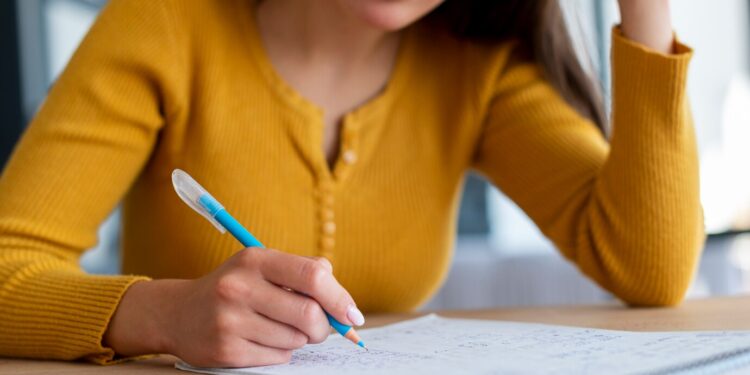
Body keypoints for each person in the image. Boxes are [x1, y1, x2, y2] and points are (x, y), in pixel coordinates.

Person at [0, 0, 703, 368]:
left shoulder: (477, 69)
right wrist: (164, 314)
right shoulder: (162, 24)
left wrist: (646, 10)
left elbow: (651, 265)